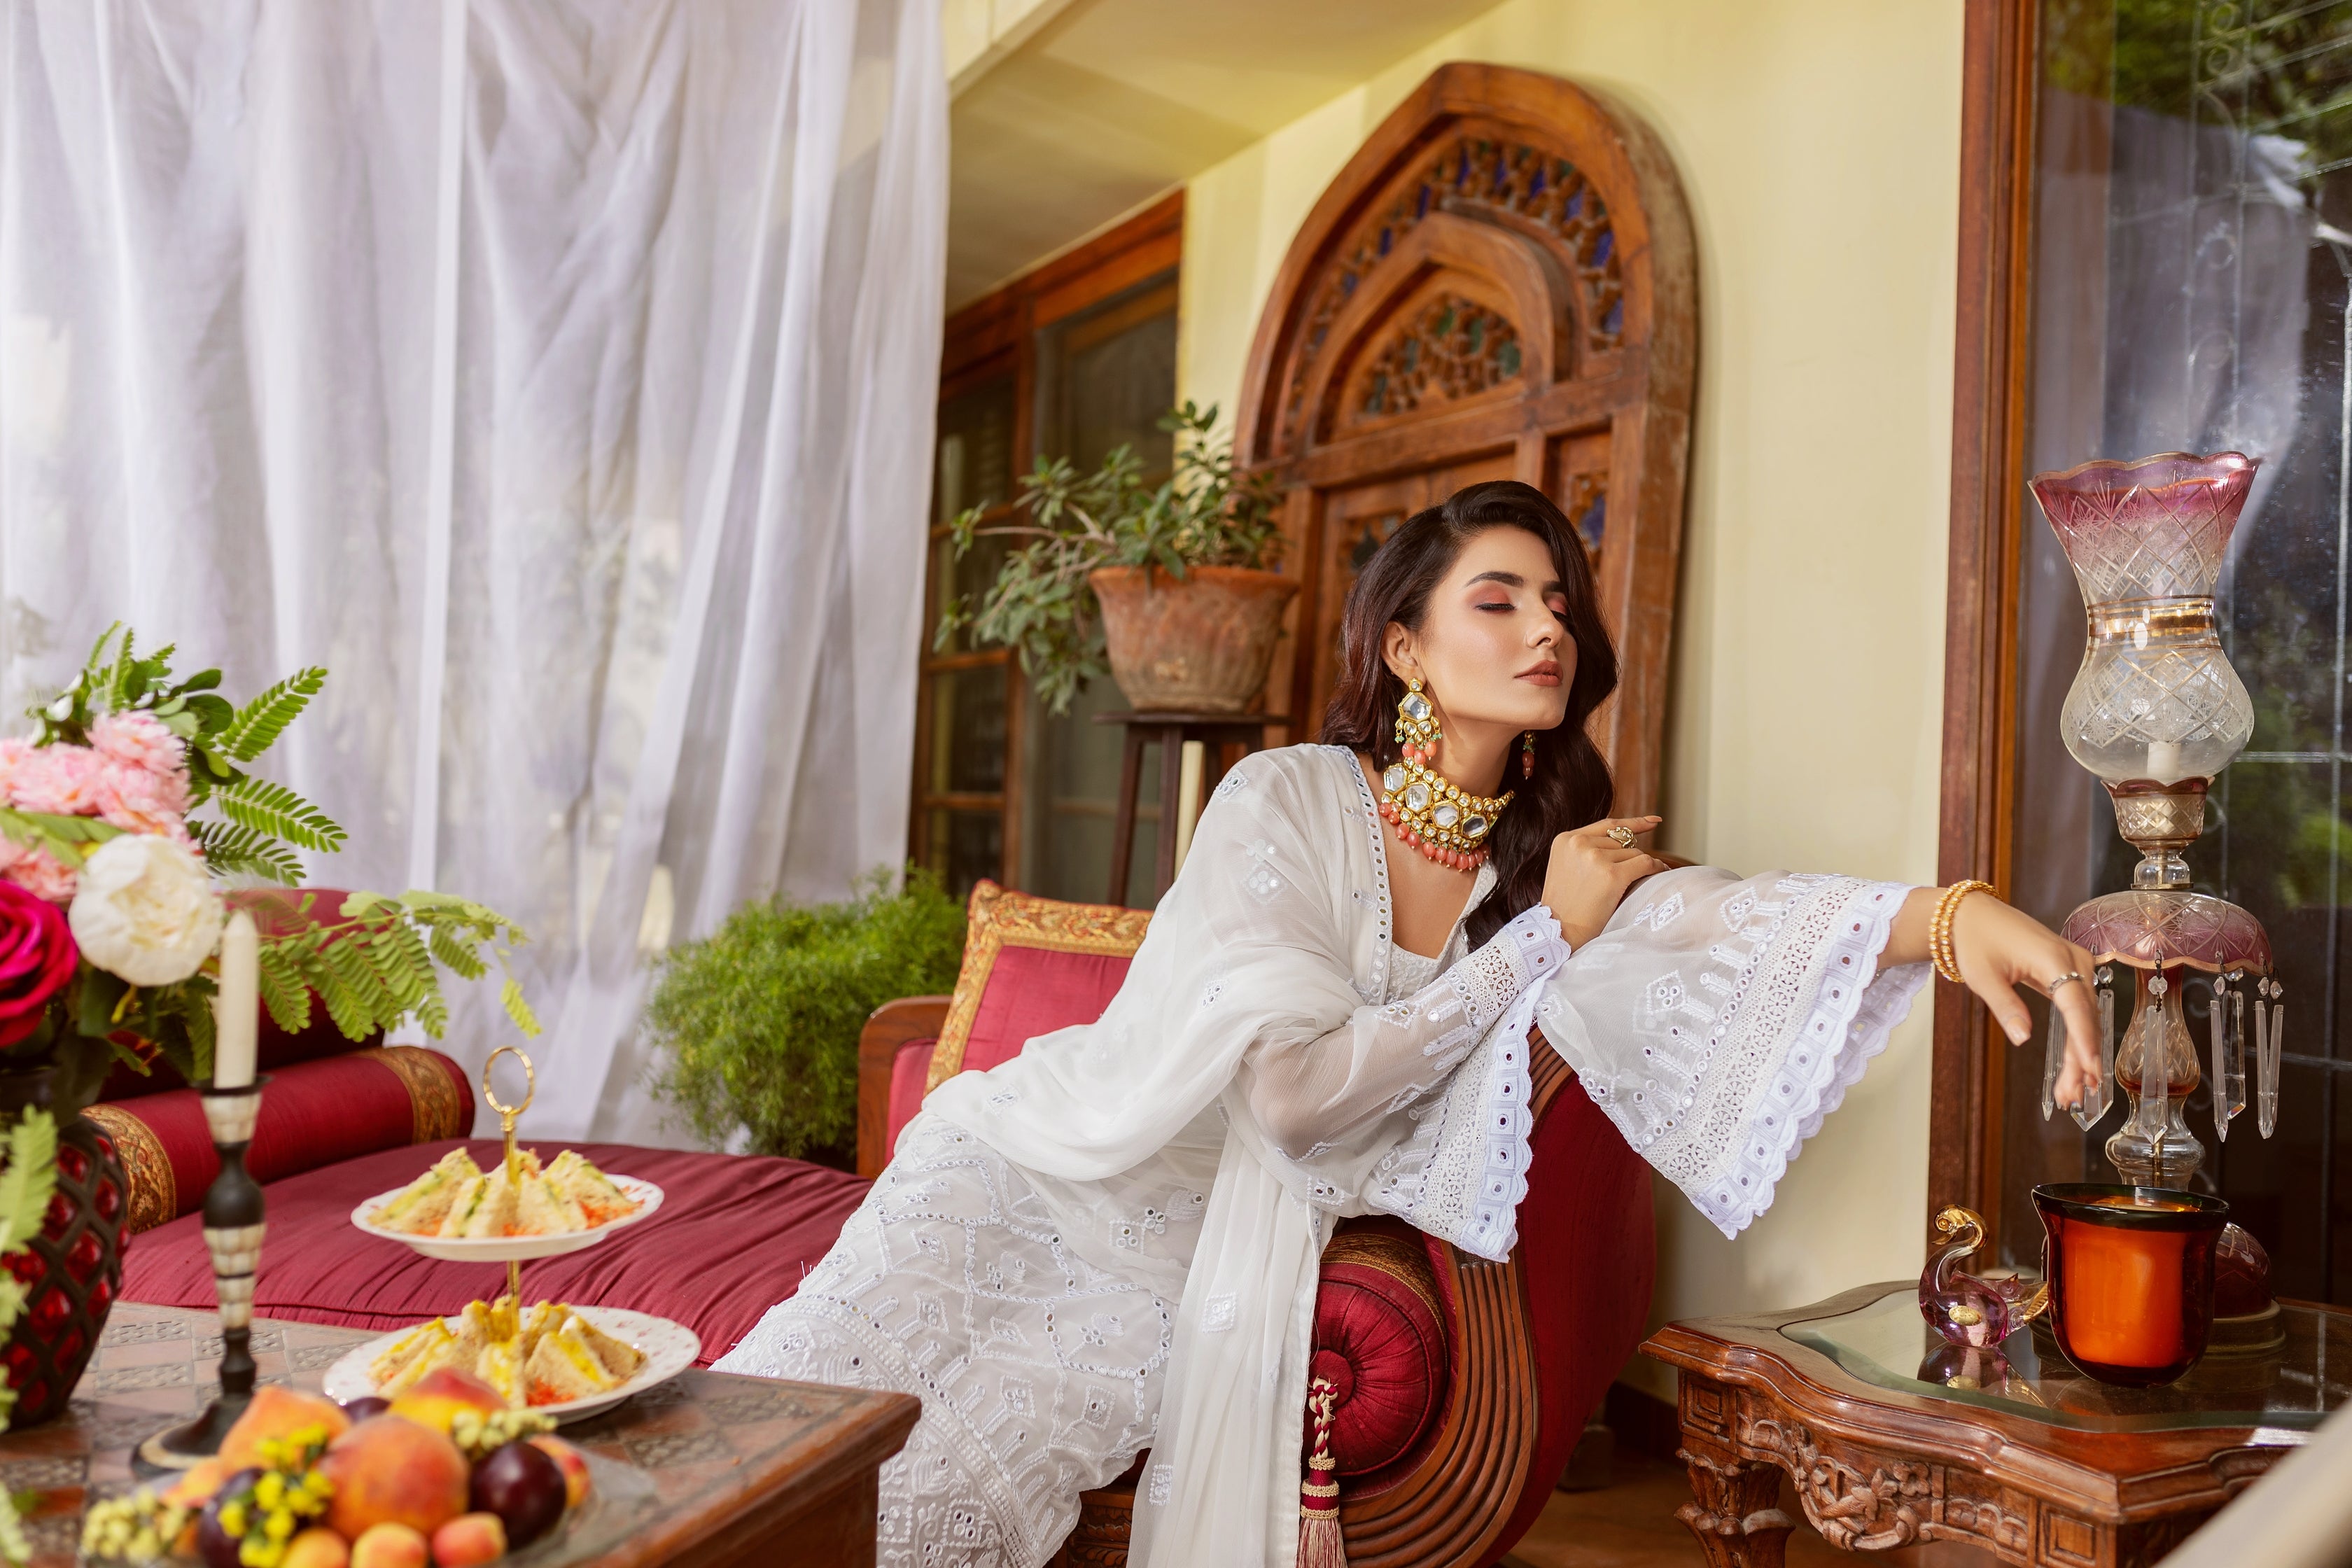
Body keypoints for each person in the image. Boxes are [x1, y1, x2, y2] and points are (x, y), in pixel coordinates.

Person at [713, 481, 2099, 1568]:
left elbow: (1726, 918)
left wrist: (1956, 913)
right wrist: (1543, 941)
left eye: (1558, 601)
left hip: (1190, 1271)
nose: (1548, 628)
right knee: (771, 1448)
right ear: (1404, 646)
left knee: (950, 1490)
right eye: (1498, 601)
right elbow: (1293, 1100)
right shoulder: (1291, 800)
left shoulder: (1549, 862)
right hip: (1035, 1175)